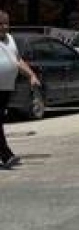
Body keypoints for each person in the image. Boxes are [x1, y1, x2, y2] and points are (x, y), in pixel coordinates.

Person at [0, 10, 40, 169]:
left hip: (5, 87)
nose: (4, 27)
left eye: (6, 23)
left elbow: (17, 60)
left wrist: (31, 75)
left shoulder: (10, 39)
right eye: (0, 24)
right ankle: (6, 155)